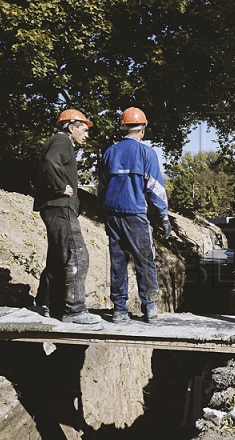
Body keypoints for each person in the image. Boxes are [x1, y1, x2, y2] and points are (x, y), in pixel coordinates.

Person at [98, 107, 172, 324]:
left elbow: (101, 186)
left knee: (118, 262)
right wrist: (164, 217)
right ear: (143, 128)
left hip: (113, 215)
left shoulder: (109, 152)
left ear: (123, 127)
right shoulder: (146, 153)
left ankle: (119, 310)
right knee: (144, 261)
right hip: (135, 215)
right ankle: (149, 308)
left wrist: (104, 207)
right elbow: (155, 188)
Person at [33, 109, 101, 324]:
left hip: (54, 207)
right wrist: (61, 187)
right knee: (77, 256)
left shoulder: (57, 141)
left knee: (57, 257)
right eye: (83, 128)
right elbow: (50, 163)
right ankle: (74, 310)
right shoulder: (62, 142)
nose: (86, 134)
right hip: (60, 206)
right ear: (71, 127)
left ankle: (48, 304)